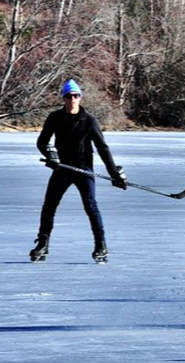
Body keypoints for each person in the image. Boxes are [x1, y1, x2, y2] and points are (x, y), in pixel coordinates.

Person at [31, 79, 128, 263]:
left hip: (84, 169)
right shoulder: (55, 118)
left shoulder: (89, 121)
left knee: (91, 206)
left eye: (76, 96)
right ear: (64, 98)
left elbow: (103, 148)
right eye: (69, 96)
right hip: (62, 169)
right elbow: (42, 142)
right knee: (49, 205)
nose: (72, 99)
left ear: (80, 98)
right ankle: (42, 244)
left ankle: (101, 245)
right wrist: (51, 155)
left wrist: (114, 173)